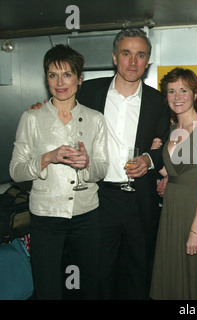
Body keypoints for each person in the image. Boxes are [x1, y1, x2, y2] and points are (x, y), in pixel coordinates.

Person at [29, 28, 170, 299]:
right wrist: (40, 108)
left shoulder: (158, 101)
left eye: (140, 55)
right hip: (99, 198)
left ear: (148, 61)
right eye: (126, 53)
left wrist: (150, 160)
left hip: (141, 200)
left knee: (139, 272)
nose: (132, 62)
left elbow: (167, 145)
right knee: (98, 273)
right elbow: (58, 104)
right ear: (114, 57)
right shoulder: (90, 91)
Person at [9, 44, 108, 299]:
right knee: (48, 287)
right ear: (46, 79)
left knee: (87, 286)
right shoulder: (32, 118)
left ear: (79, 79)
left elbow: (102, 169)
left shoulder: (95, 118)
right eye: (53, 75)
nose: (60, 82)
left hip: (87, 215)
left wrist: (87, 163)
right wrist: (47, 158)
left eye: (67, 74)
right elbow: (16, 171)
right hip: (46, 215)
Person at [150, 68, 197, 299]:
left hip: (195, 211)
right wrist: (155, 157)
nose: (177, 97)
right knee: (171, 276)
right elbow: (173, 172)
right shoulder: (172, 129)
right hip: (171, 209)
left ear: (195, 95)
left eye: (183, 90)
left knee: (192, 277)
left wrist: (195, 231)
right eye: (171, 91)